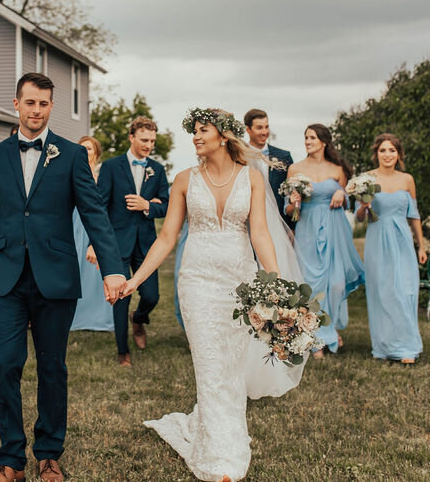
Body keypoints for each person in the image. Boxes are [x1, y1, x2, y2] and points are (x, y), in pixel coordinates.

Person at [121, 107, 302, 482]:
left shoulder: (251, 179)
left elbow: (260, 235)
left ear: (223, 136)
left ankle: (225, 436)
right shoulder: (185, 180)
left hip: (240, 281)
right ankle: (220, 455)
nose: (196, 137)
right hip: (198, 282)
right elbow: (167, 237)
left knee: (232, 367)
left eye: (202, 130)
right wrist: (135, 280)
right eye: (195, 132)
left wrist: (277, 286)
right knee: (208, 365)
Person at [0, 73, 126, 482]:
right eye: (30, 102)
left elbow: (94, 213)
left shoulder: (71, 155)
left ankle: (49, 454)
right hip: (5, 277)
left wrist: (111, 267)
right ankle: (10, 460)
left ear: (50, 107)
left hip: (54, 276)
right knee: (4, 364)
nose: (37, 110)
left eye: (44, 104)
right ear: (16, 104)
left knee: (52, 367)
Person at [285, 123, 365, 357]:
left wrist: (342, 193)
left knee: (337, 284)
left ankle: (330, 331)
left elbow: (348, 203)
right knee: (311, 285)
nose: (308, 141)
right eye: (306, 137)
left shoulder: (338, 169)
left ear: (324, 141)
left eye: (312, 137)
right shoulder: (295, 170)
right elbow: (289, 211)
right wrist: (295, 202)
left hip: (334, 229)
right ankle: (314, 339)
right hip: (308, 227)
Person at [96, 116, 170, 366]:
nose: (149, 145)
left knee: (152, 296)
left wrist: (147, 205)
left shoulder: (157, 170)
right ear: (131, 137)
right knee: (119, 297)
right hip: (117, 243)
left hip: (147, 243)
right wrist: (95, 243)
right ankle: (122, 350)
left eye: (152, 141)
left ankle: (138, 319)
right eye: (144, 139)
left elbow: (168, 206)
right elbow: (101, 207)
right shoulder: (111, 167)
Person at [356, 134, 427, 364]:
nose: (387, 155)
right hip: (378, 238)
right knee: (383, 292)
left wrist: (421, 246)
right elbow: (358, 217)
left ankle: (407, 347)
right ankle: (385, 346)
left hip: (403, 240)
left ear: (399, 154)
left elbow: (414, 215)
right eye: (383, 150)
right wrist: (364, 206)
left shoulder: (407, 179)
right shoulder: (366, 178)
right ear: (376, 153)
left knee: (405, 290)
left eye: (392, 151)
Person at [70, 135, 115, 333]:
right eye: (80, 148)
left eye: (88, 149)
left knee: (94, 272)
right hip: (72, 226)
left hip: (93, 228)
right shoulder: (69, 175)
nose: (84, 152)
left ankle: (98, 317)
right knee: (74, 270)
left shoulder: (101, 179)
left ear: (96, 153)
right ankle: (74, 316)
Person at [244, 109, 294, 227]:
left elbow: (291, 194)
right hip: (247, 222)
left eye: (266, 127)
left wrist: (291, 227)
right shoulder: (238, 156)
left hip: (278, 223)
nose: (264, 132)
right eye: (259, 128)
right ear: (248, 129)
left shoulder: (283, 156)